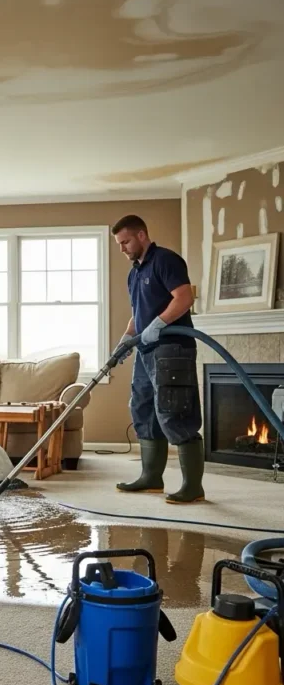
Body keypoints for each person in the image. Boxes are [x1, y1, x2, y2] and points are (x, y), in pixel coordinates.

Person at [111, 214, 204, 504]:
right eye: (119, 244)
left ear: (141, 235)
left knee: (175, 413)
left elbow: (184, 298)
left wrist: (159, 324)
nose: (123, 248)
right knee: (143, 411)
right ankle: (151, 478)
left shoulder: (165, 260)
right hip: (146, 352)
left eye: (125, 241)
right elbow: (139, 313)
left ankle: (193, 487)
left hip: (172, 350)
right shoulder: (134, 273)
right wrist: (126, 340)